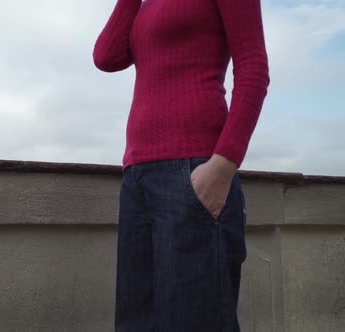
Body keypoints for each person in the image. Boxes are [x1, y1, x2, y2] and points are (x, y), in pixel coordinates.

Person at [93, 0, 270, 330]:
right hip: (137, 176)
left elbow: (253, 68)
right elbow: (106, 56)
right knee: (136, 322)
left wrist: (223, 166)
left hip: (192, 173)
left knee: (194, 320)